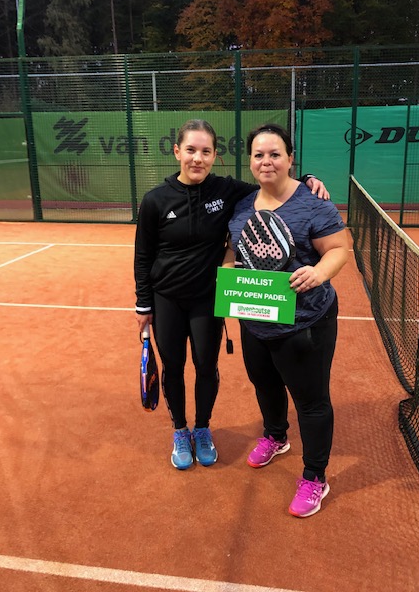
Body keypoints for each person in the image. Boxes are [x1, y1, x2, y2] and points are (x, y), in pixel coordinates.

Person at [134, 119, 328, 471]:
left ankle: (202, 428)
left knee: (206, 366)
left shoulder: (226, 190)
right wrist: (143, 304)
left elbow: (272, 180)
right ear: (177, 152)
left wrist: (308, 178)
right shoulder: (155, 200)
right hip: (166, 300)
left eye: (205, 151)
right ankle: (180, 430)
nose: (197, 158)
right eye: (190, 150)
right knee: (173, 367)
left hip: (208, 299)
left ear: (215, 156)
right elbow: (143, 255)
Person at [223, 123, 348, 517]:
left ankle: (315, 477)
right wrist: (229, 278)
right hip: (256, 319)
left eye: (275, 154)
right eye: (259, 155)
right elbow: (232, 253)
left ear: (290, 159)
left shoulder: (314, 204)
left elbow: (339, 248)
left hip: (305, 322)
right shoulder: (242, 206)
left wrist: (319, 273)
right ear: (250, 161)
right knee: (264, 383)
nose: (267, 161)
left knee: (311, 402)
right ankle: (276, 436)